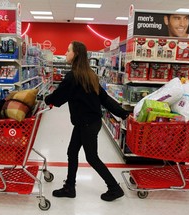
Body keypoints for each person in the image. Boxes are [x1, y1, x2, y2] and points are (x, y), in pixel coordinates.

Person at [44, 41, 129, 201]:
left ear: (75, 54)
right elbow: (105, 99)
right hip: (88, 122)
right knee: (72, 152)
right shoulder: (90, 75)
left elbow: (57, 97)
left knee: (92, 157)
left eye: (68, 50)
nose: (66, 53)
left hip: (86, 124)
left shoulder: (73, 77)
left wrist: (45, 98)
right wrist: (123, 113)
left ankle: (114, 188)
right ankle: (69, 187)